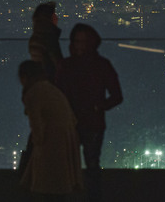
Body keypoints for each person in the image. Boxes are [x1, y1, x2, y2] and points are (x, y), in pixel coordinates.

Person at [56, 23, 122, 202]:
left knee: (74, 165)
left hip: (80, 122)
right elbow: (116, 96)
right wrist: (99, 107)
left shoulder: (67, 65)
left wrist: (97, 107)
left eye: (83, 42)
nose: (80, 46)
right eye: (78, 42)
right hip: (86, 122)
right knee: (90, 166)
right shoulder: (100, 65)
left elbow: (117, 96)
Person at [19, 60, 83, 201]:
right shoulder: (52, 89)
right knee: (59, 189)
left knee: (46, 188)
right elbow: (73, 119)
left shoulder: (33, 93)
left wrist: (37, 143)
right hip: (66, 143)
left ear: (25, 77)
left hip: (51, 145)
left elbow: (37, 129)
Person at [29, 2, 64, 81]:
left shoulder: (37, 36)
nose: (57, 18)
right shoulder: (49, 38)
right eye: (54, 15)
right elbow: (58, 63)